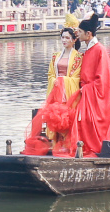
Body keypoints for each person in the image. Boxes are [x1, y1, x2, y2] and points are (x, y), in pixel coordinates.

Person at [22, 27, 83, 156]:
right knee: (54, 119)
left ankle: (67, 145)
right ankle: (55, 145)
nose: (64, 40)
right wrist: (55, 80)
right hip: (56, 92)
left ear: (74, 40)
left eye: (67, 38)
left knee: (67, 119)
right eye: (63, 37)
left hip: (69, 94)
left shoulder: (78, 57)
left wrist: (62, 80)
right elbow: (50, 74)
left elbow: (77, 77)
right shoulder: (56, 56)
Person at [67, 15, 110, 158]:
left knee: (89, 122)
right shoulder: (88, 50)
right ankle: (85, 147)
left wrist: (86, 89)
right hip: (87, 92)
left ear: (88, 34)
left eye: (80, 32)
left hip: (94, 95)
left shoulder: (99, 50)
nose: (78, 34)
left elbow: (103, 81)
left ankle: (94, 148)